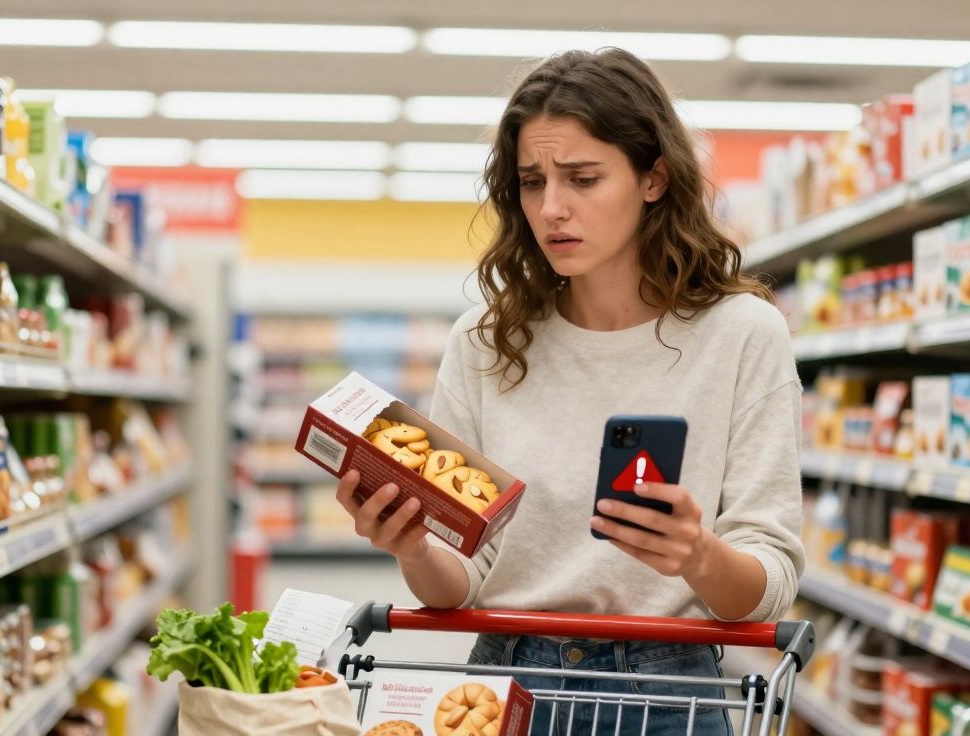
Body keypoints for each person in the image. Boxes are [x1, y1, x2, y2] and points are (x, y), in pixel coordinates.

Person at [335, 47, 804, 735]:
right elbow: (464, 579)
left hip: (670, 697)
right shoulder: (486, 342)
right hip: (502, 685)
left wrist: (697, 554)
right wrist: (412, 547)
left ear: (654, 178)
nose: (552, 208)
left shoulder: (743, 334)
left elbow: (767, 586)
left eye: (583, 178)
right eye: (531, 182)